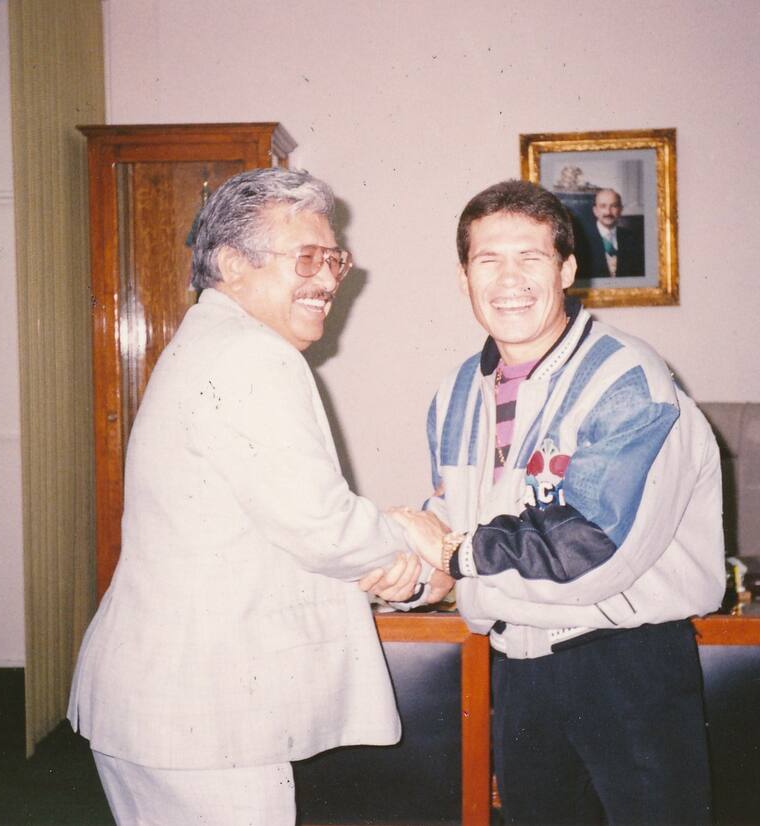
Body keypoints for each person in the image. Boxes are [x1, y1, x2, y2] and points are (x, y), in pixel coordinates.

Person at [69, 167, 445, 824]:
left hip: (171, 704)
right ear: (232, 263)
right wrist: (418, 545)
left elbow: (285, 516)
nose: (328, 278)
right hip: (204, 718)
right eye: (306, 257)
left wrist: (385, 540)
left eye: (334, 258)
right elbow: (323, 528)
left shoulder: (214, 341)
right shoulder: (252, 356)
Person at [394, 180, 725, 825]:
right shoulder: (456, 390)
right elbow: (450, 518)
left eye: (532, 257)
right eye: (488, 260)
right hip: (518, 667)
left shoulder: (629, 379)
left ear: (568, 269)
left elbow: (596, 545)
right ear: (464, 277)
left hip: (627, 668)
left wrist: (456, 556)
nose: (508, 279)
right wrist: (410, 566)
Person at [575, 187, 646, 277]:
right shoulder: (581, 240)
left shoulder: (633, 238)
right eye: (603, 206)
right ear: (595, 211)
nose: (608, 212)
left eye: (614, 206)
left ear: (620, 210)